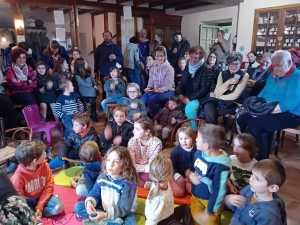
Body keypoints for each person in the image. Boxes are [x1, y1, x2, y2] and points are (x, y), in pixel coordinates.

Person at [237, 50, 300, 160]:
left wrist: (262, 112)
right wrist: (254, 106)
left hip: (290, 113)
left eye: (278, 65)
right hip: (268, 108)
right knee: (242, 119)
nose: (275, 69)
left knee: (256, 124)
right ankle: (252, 148)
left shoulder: (297, 77)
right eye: (273, 65)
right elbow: (263, 93)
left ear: (289, 62)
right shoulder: (273, 75)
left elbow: (289, 105)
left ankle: (260, 160)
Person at [74, 146, 139, 225]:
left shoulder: (128, 182)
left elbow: (125, 208)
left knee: (131, 223)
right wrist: (89, 202)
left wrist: (105, 215)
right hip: (103, 207)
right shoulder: (102, 176)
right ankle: (110, 221)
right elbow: (95, 192)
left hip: (122, 211)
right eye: (108, 160)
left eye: (116, 161)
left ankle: (105, 220)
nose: (110, 165)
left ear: (125, 164)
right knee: (78, 207)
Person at [11, 141, 65, 224]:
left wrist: (40, 206)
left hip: (43, 197)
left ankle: (35, 215)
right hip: (27, 201)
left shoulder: (45, 165)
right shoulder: (18, 176)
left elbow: (49, 185)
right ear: (35, 160)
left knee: (59, 207)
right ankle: (33, 216)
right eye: (44, 154)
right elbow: (18, 201)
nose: (45, 155)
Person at [189, 124, 231, 225]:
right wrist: (190, 175)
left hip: (211, 202)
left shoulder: (220, 167)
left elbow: (219, 191)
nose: (195, 140)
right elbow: (193, 166)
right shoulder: (199, 153)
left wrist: (209, 211)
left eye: (197, 138)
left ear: (206, 145)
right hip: (196, 195)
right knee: (196, 218)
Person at [225, 159, 287, 225]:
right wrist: (228, 201)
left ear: (272, 188)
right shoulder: (248, 189)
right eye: (252, 174)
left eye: (257, 178)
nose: (251, 179)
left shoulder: (269, 216)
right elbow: (238, 208)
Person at [145, 155, 194, 225]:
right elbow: (151, 220)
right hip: (162, 221)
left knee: (185, 208)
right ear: (169, 175)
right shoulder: (160, 199)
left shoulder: (162, 181)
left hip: (169, 213)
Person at [202, 52, 249, 125]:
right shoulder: (222, 74)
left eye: (236, 64)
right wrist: (227, 83)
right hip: (220, 101)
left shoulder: (245, 75)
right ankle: (213, 131)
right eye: (231, 64)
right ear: (228, 64)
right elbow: (217, 92)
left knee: (209, 111)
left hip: (235, 103)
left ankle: (211, 130)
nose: (234, 66)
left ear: (240, 63)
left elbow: (235, 95)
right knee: (208, 104)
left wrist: (217, 97)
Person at [178, 45, 213, 130]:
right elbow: (181, 83)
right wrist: (180, 95)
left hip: (201, 98)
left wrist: (188, 99)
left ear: (201, 58)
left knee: (189, 109)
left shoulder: (206, 69)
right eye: (191, 57)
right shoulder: (188, 67)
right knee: (172, 104)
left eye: (196, 58)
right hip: (187, 95)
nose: (193, 60)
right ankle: (180, 131)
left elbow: (204, 89)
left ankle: (195, 131)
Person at [128, 117, 162, 187]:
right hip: (135, 168)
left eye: (137, 129)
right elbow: (131, 163)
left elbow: (151, 166)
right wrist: (142, 168)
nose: (133, 131)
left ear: (147, 131)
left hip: (148, 170)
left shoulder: (156, 143)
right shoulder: (132, 140)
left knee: (149, 178)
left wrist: (141, 169)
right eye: (134, 128)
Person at [142, 46, 175, 116]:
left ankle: (158, 119)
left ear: (165, 56)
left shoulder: (169, 68)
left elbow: (169, 85)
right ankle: (146, 118)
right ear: (155, 56)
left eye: (161, 56)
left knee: (151, 99)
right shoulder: (152, 68)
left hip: (169, 91)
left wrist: (160, 90)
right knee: (142, 100)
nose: (159, 58)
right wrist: (149, 88)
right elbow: (150, 82)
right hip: (155, 90)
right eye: (157, 56)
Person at [94, 31, 124, 100]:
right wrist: (95, 70)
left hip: (114, 72)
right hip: (103, 71)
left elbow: (121, 59)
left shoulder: (116, 47)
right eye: (105, 35)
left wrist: (115, 57)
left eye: (108, 35)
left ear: (111, 37)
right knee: (105, 88)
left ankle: (115, 101)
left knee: (114, 87)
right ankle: (104, 102)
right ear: (103, 37)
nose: (106, 37)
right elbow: (96, 59)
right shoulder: (99, 47)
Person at [170, 126, 197, 197]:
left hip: (191, 174)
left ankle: (187, 184)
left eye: (186, 138)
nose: (183, 141)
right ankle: (177, 183)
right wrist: (178, 176)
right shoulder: (176, 151)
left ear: (192, 138)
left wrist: (192, 175)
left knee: (193, 191)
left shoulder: (197, 151)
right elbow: (172, 167)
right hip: (178, 174)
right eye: (181, 139)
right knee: (179, 192)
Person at [74, 58, 98, 122]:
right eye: (85, 63)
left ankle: (93, 114)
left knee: (93, 92)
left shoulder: (88, 71)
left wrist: (94, 85)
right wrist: (92, 85)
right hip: (83, 90)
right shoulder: (77, 74)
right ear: (81, 64)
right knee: (91, 92)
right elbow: (83, 84)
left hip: (90, 89)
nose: (87, 64)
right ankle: (85, 115)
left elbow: (92, 80)